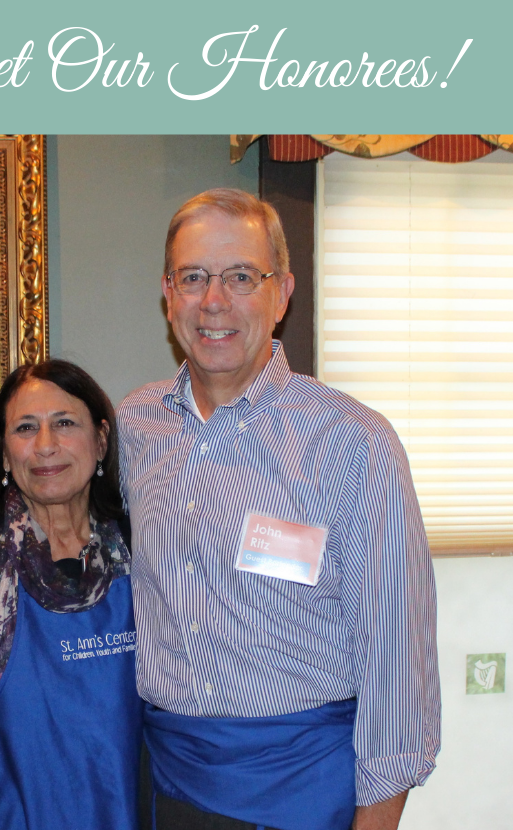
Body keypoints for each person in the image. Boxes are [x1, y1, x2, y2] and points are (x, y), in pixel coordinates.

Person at [117, 188, 440, 830]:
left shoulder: (354, 443)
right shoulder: (131, 429)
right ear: (167, 291)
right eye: (194, 277)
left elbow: (396, 667)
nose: (214, 301)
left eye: (242, 276)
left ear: (282, 292)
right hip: (165, 783)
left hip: (306, 790)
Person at [0, 360, 142, 830]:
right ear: (3, 453)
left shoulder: (148, 555)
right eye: (25, 428)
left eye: (64, 423)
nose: (45, 446)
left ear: (100, 441)